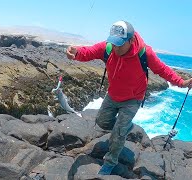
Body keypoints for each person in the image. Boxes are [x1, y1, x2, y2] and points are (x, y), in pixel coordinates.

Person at [66, 20, 192, 175]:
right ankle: (126, 128)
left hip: (133, 99)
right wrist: (76, 53)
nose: (116, 48)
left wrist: (182, 82)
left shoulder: (145, 53)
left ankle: (110, 161)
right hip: (113, 94)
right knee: (102, 122)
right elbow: (89, 52)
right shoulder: (109, 47)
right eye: (114, 43)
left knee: (118, 133)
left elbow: (162, 70)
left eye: (120, 44)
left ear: (131, 40)